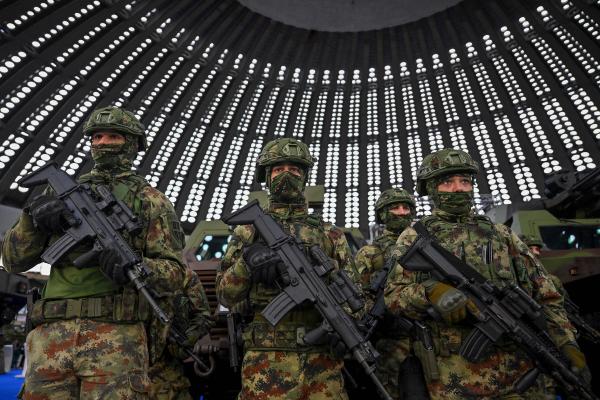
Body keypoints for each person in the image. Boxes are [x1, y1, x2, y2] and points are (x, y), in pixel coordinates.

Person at [2, 106, 186, 399]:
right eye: (96, 137)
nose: (101, 143)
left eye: (112, 137)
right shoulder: (61, 194)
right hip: (50, 335)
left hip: (115, 337)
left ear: (133, 144)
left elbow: (176, 274)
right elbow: (13, 260)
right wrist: (33, 219)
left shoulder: (151, 201)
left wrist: (137, 266)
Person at [384, 148, 585, 399]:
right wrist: (432, 292)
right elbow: (394, 296)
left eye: (465, 181)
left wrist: (566, 342)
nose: (458, 188)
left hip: (521, 371)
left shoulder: (500, 234)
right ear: (432, 189)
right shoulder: (414, 237)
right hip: (457, 379)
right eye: (448, 182)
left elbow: (546, 294)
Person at [216, 137, 357, 400]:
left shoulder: (330, 234)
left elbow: (353, 289)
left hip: (322, 357)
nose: (286, 176)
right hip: (266, 358)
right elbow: (226, 294)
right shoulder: (247, 232)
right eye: (278, 170)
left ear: (304, 177)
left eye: (294, 170)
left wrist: (346, 325)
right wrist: (248, 261)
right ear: (267, 178)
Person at [355, 188, 417, 398]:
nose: (401, 212)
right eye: (394, 208)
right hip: (390, 340)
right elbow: (360, 296)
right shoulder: (370, 253)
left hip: (429, 337)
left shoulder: (425, 245)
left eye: (406, 207)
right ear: (382, 214)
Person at [148, 268, 214, 400]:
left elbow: (203, 316)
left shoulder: (185, 276)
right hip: (129, 366)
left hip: (168, 371)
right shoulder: (127, 275)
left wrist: (188, 338)